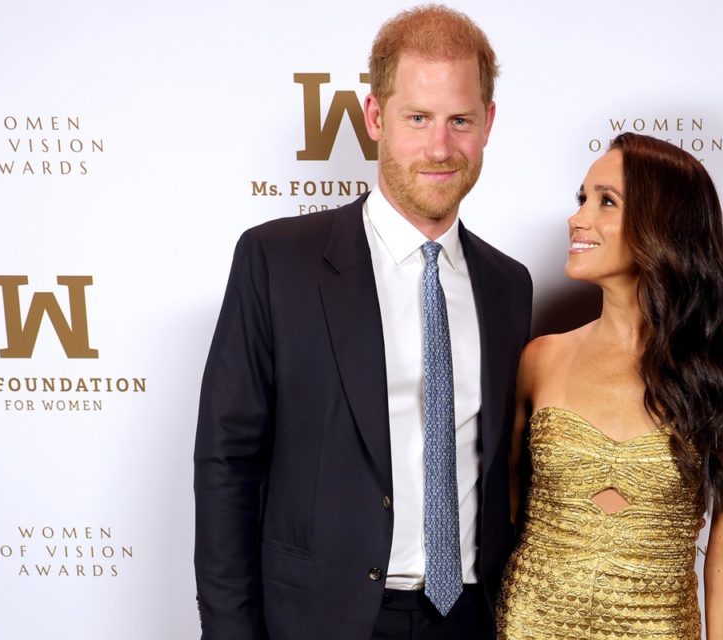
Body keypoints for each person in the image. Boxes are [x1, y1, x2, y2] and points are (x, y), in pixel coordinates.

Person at [194, 6, 532, 639]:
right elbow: (227, 464)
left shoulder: (509, 285)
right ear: (376, 118)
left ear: (488, 124)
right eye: (418, 118)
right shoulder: (278, 261)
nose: (440, 146)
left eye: (460, 120)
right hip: (320, 618)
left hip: (469, 617)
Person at [497, 132, 723, 640]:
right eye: (581, 198)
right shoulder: (540, 359)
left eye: (606, 202)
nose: (577, 218)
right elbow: (503, 519)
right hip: (529, 625)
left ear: (663, 225)